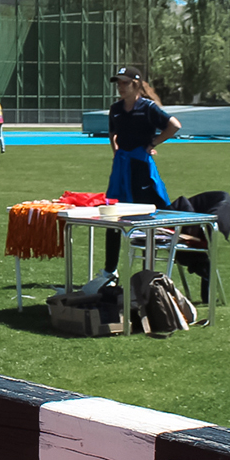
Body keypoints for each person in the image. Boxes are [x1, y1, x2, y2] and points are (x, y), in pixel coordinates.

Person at [84, 65, 182, 293]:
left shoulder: (147, 108)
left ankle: (153, 273)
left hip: (141, 168)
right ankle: (110, 271)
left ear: (136, 84)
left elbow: (174, 125)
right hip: (122, 168)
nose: (120, 87)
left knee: (152, 215)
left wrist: (152, 144)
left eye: (124, 83)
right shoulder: (116, 109)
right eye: (118, 83)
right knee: (113, 217)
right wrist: (117, 152)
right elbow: (112, 133)